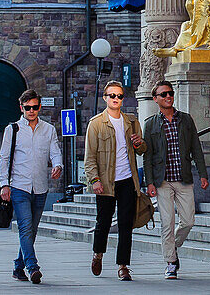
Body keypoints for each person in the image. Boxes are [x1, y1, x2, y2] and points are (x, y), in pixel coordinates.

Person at [143, 80, 208, 280]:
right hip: (162, 181)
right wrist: (150, 182)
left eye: (170, 93)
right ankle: (170, 262)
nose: (168, 96)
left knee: (188, 221)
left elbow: (196, 148)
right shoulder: (151, 124)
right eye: (163, 94)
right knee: (167, 223)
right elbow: (147, 156)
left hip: (183, 179)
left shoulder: (186, 120)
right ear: (156, 99)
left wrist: (203, 173)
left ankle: (173, 246)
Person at [84, 80, 146, 281]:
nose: (116, 99)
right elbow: (90, 157)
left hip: (128, 179)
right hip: (106, 181)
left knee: (126, 225)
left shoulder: (132, 122)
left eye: (119, 96)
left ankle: (123, 265)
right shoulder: (96, 124)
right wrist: (94, 179)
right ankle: (98, 253)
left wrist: (140, 144)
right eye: (112, 96)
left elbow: (142, 150)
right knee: (103, 222)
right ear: (105, 98)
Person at [0, 89, 63, 284]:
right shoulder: (12, 130)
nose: (32, 111)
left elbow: (55, 151)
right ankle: (32, 267)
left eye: (35, 107)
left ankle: (18, 267)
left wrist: (58, 165)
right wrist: (4, 185)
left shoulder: (48, 129)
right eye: (28, 108)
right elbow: (4, 159)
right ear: (22, 108)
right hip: (19, 186)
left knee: (32, 229)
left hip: (41, 187)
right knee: (25, 227)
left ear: (39, 107)